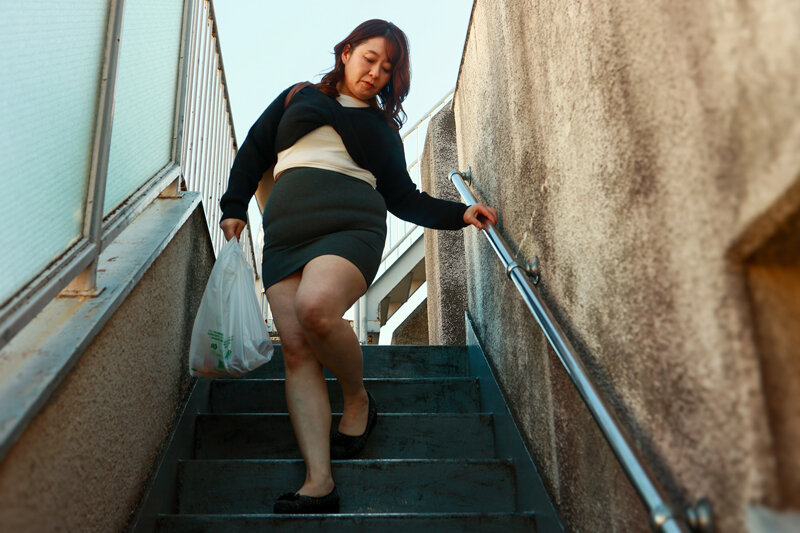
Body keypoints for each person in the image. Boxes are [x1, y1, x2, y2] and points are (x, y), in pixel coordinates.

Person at [218, 19, 497, 514]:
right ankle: (318, 482)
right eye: (370, 59)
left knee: (316, 309)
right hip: (284, 236)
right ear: (346, 52)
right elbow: (255, 150)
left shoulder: (383, 128)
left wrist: (460, 213)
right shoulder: (298, 96)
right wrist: (234, 205)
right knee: (297, 354)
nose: (376, 73)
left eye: (388, 68)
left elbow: (404, 198)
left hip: (351, 229)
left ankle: (357, 399)